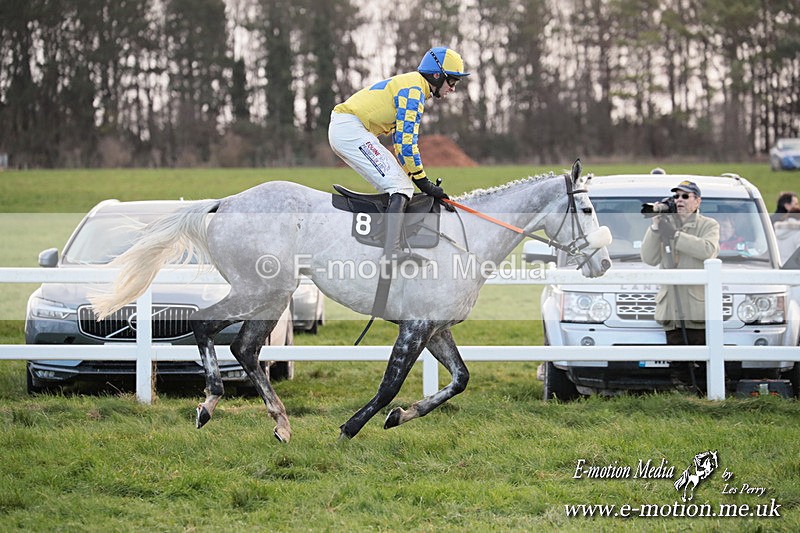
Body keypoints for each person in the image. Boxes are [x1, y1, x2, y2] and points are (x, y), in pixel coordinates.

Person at [328, 46, 470, 263]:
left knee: (400, 183)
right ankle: (391, 251)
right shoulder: (414, 91)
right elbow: (406, 145)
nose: (453, 88)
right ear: (437, 75)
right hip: (350, 129)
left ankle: (383, 241)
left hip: (348, 128)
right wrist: (424, 183)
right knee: (400, 186)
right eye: (451, 81)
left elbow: (399, 146)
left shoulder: (413, 86)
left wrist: (417, 178)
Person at [640, 180, 720, 346]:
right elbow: (649, 258)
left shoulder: (709, 225)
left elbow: (707, 250)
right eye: (676, 196)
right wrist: (655, 227)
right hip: (671, 313)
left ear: (697, 201)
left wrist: (676, 236)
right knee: (676, 361)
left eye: (685, 196)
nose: (679, 200)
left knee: (700, 360)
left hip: (696, 313)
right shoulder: (666, 225)